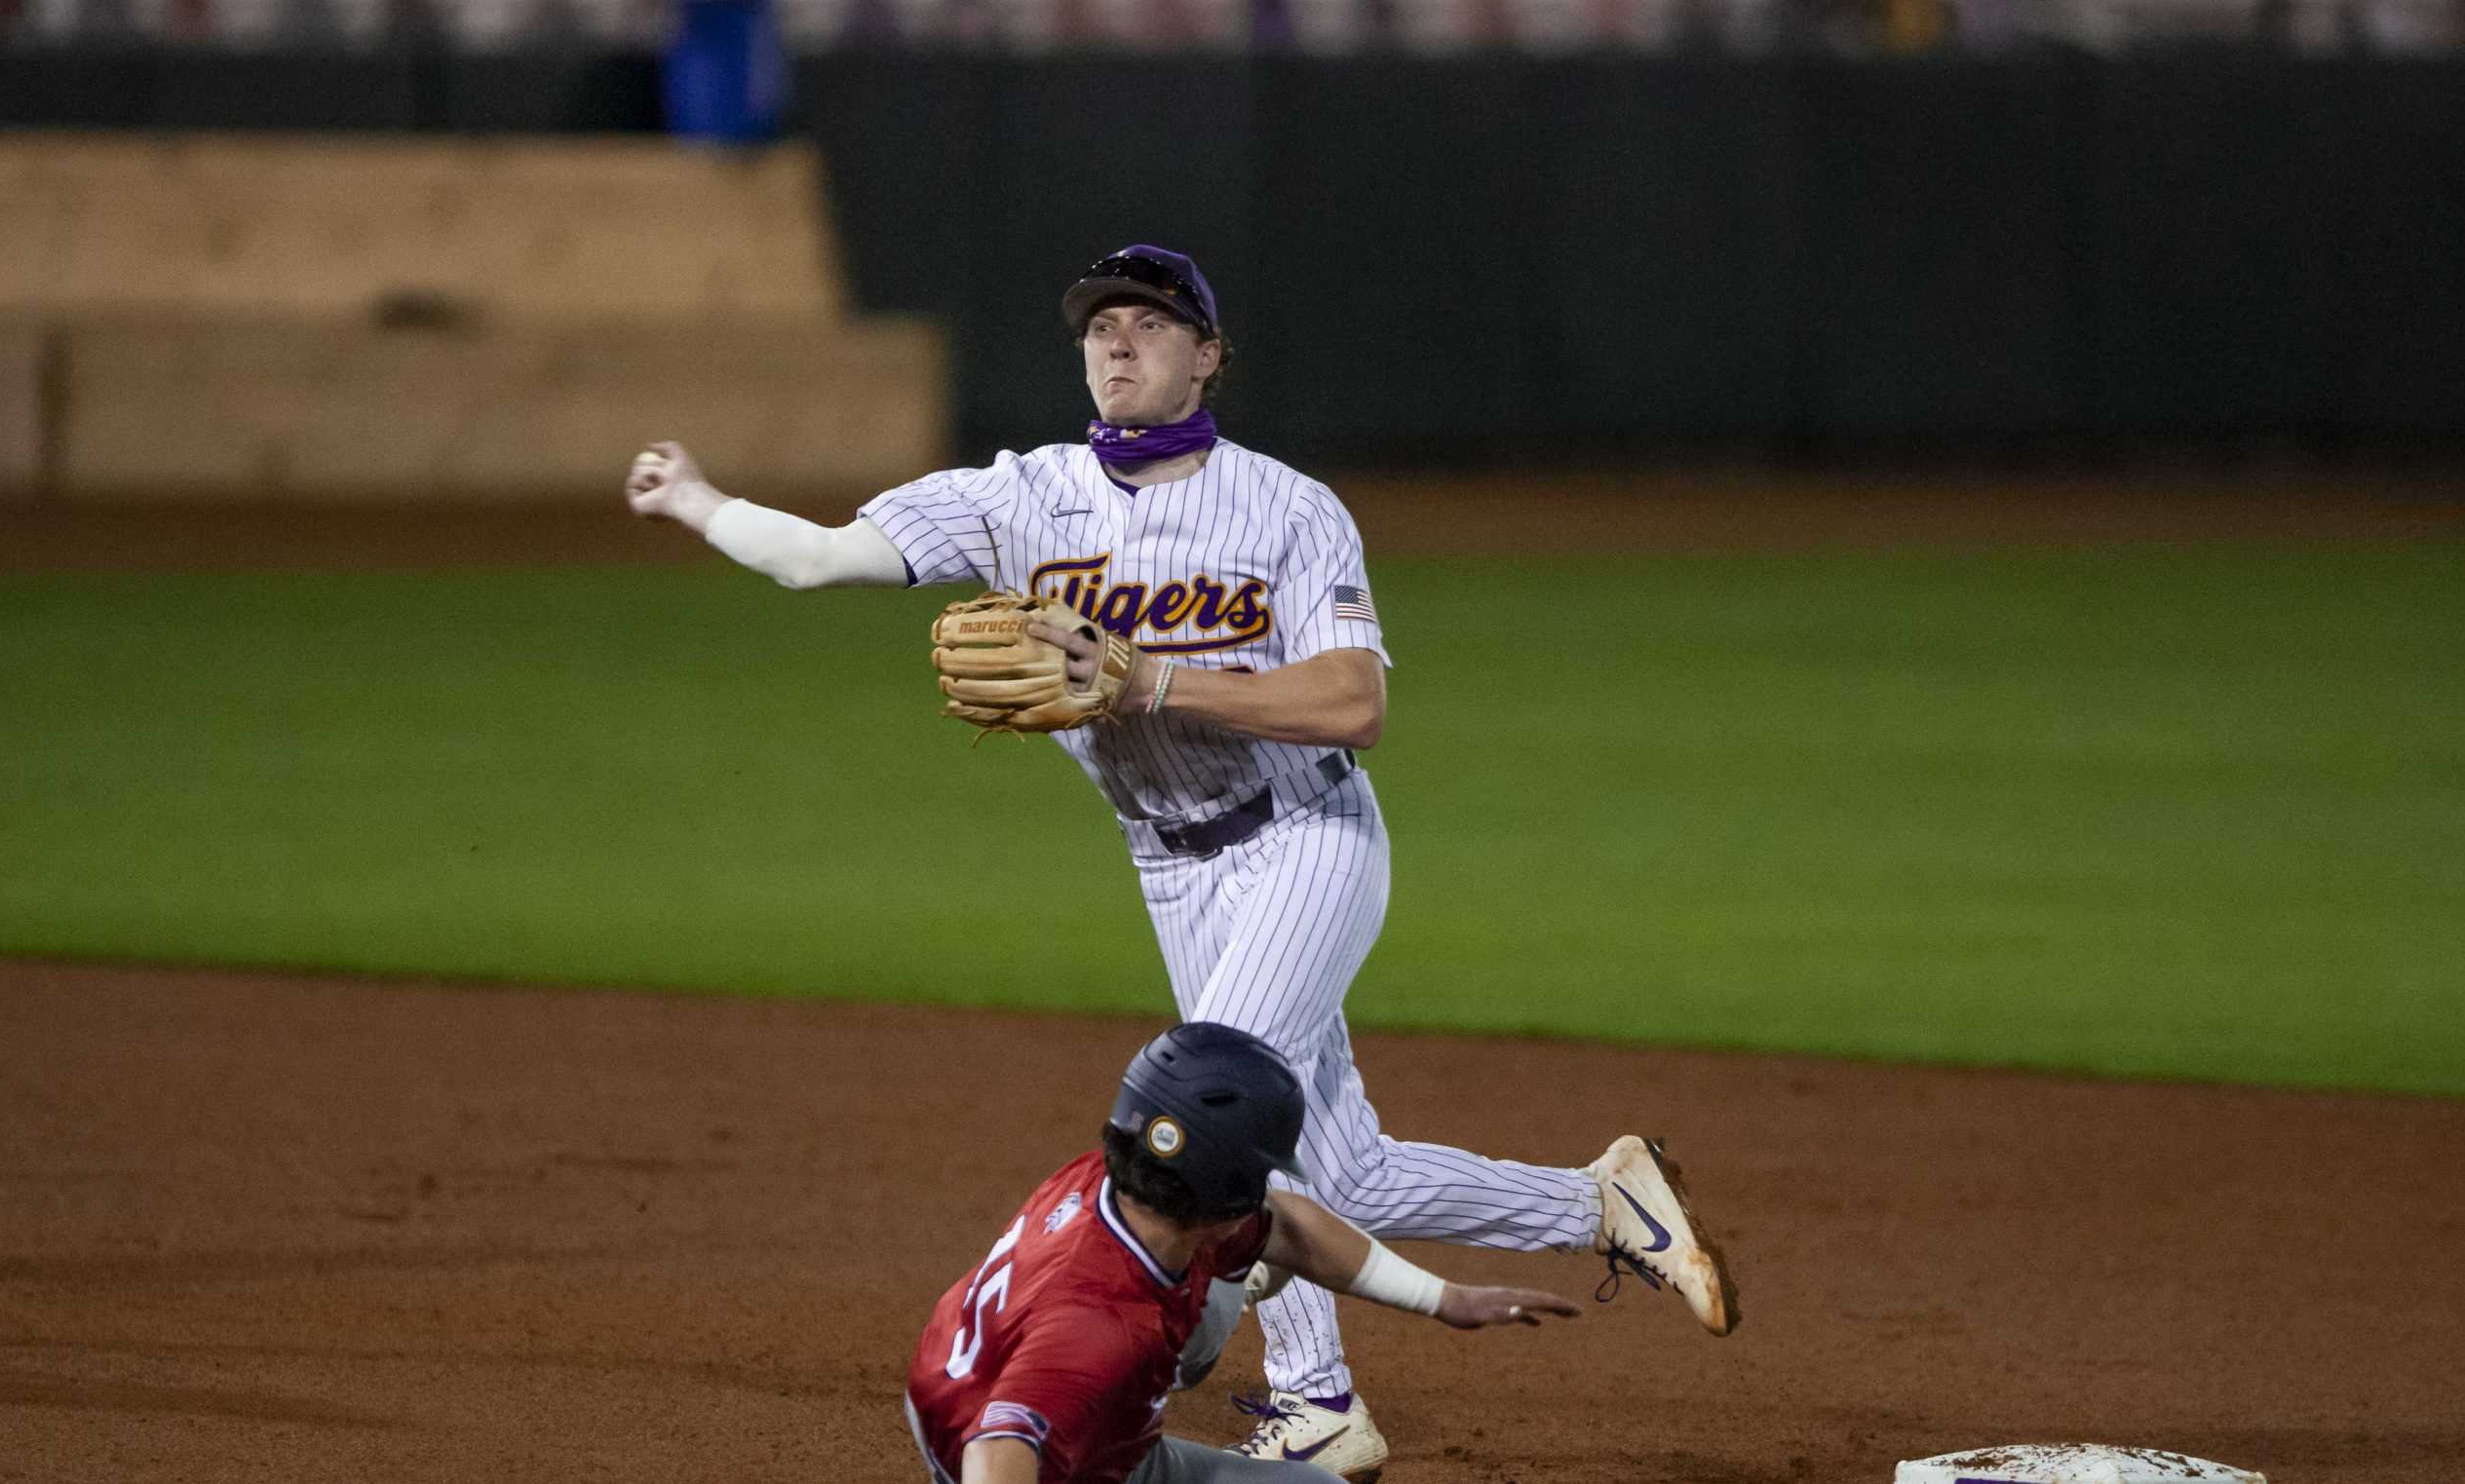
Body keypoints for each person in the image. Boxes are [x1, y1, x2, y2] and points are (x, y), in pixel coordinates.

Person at [627, 244, 1739, 1477]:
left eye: (1149, 324)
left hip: (1308, 835)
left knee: (1211, 1127)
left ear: (1206, 354)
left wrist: (1149, 675)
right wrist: (697, 501)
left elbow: (1353, 702)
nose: (1115, 343)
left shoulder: (1288, 506)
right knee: (1343, 1162)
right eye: (1099, 325)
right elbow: (816, 555)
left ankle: (1316, 1399)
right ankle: (1598, 1203)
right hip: (1170, 866)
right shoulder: (1017, 498)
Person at [905, 1021, 1581, 1483]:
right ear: (1225, 1189)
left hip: (985, 1377)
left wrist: (1446, 1300)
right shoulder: (1103, 1327)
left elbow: (1287, 1225)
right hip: (1033, 1453)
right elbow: (998, 1447)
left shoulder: (1115, 1179)